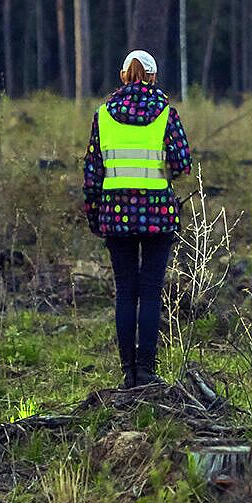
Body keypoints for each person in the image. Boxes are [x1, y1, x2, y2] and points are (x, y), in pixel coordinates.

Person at [83, 50, 192, 389]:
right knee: (150, 291)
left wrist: (94, 215)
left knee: (125, 292)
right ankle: (146, 369)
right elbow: (182, 163)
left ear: (122, 75)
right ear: (152, 77)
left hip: (114, 215)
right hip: (158, 214)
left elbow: (92, 173)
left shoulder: (102, 114)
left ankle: (127, 371)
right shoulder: (166, 114)